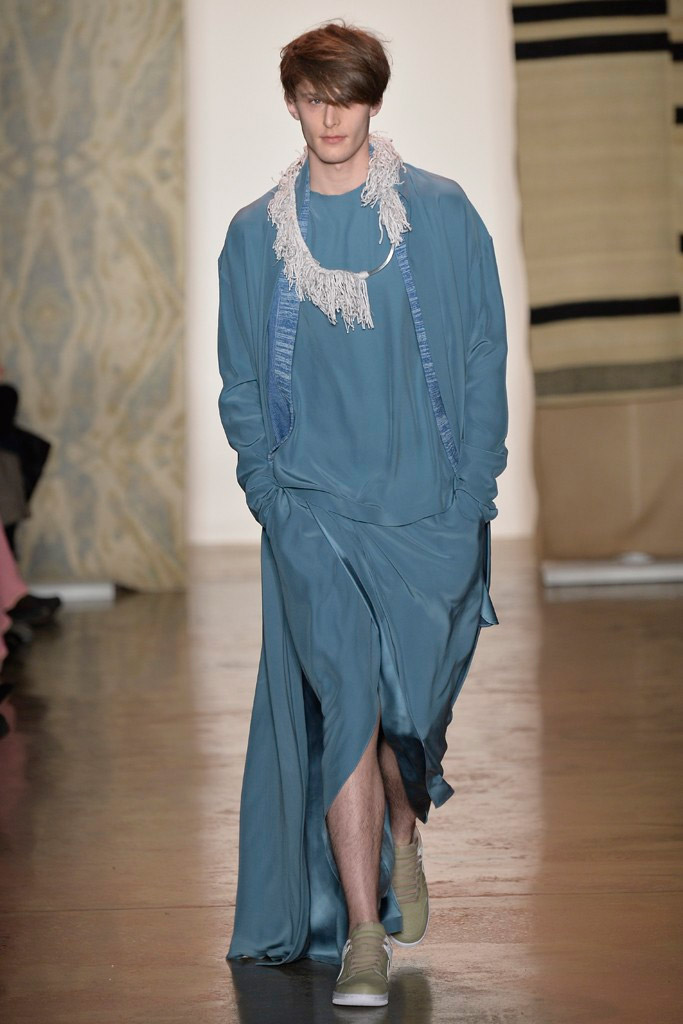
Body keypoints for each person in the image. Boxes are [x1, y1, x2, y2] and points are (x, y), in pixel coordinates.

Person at [217, 21, 508, 1008]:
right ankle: (361, 933)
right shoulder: (255, 236)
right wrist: (269, 495)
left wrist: (472, 495)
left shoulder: (440, 213)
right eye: (313, 96)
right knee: (348, 703)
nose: (330, 115)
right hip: (311, 512)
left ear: (372, 100)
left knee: (401, 716)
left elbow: (480, 355)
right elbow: (240, 381)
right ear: (291, 102)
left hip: (424, 512)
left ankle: (401, 830)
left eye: (346, 96)